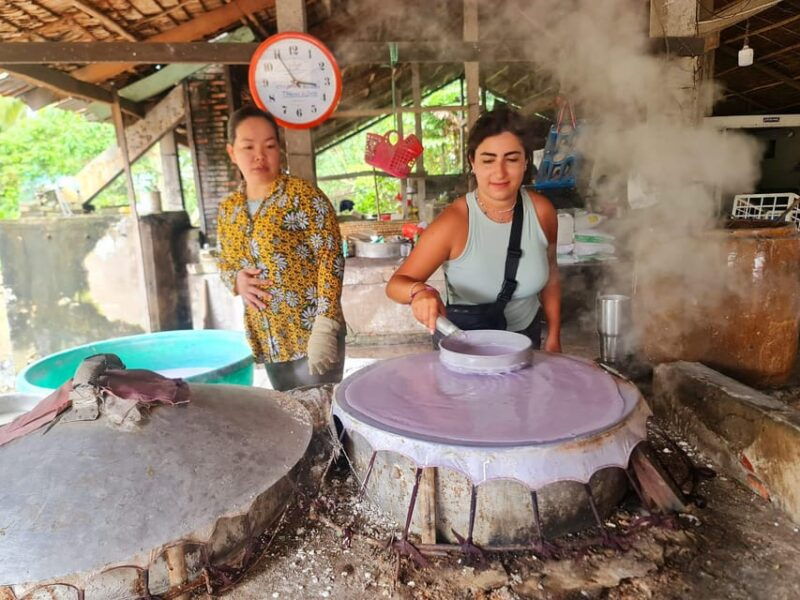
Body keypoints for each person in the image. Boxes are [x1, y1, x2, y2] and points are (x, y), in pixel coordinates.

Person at [385, 107, 561, 351]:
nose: (499, 172)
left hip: (527, 339)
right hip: (467, 347)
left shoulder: (542, 212)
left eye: (511, 159)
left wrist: (553, 335)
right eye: (488, 160)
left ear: (526, 162)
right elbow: (396, 285)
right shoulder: (453, 223)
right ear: (473, 162)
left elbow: (551, 273)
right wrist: (419, 292)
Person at [217, 105, 346, 391]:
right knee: (291, 418)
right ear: (232, 152)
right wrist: (236, 280)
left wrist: (326, 325)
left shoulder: (302, 195)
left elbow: (331, 258)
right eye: (248, 147)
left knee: (322, 416)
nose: (259, 155)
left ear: (280, 150)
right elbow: (224, 260)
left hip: (311, 333)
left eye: (270, 146)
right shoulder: (229, 210)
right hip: (268, 337)